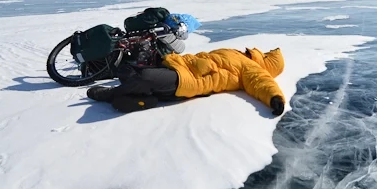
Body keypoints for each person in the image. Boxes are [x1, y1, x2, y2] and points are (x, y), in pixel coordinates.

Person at [87, 46, 287, 116]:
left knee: (141, 76)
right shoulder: (238, 55)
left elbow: (262, 83)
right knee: (132, 66)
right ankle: (142, 97)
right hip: (178, 66)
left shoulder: (251, 67)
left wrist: (275, 98)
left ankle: (111, 94)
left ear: (265, 60)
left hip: (187, 81)